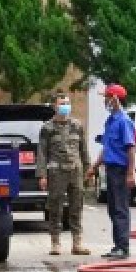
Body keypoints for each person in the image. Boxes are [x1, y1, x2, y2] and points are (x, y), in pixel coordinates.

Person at [38, 92, 91, 255]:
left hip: (76, 171)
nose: (65, 106)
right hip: (57, 172)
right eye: (62, 103)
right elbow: (42, 153)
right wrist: (42, 175)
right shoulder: (47, 128)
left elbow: (83, 149)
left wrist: (89, 168)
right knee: (55, 207)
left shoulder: (77, 125)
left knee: (77, 207)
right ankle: (55, 242)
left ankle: (77, 243)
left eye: (67, 102)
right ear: (55, 106)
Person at [87, 84, 135, 259]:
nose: (105, 101)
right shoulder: (110, 121)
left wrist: (130, 173)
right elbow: (106, 148)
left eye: (107, 97)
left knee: (120, 209)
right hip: (110, 170)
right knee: (112, 208)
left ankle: (123, 247)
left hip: (121, 170)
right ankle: (117, 245)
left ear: (115, 99)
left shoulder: (124, 121)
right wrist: (94, 166)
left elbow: (130, 149)